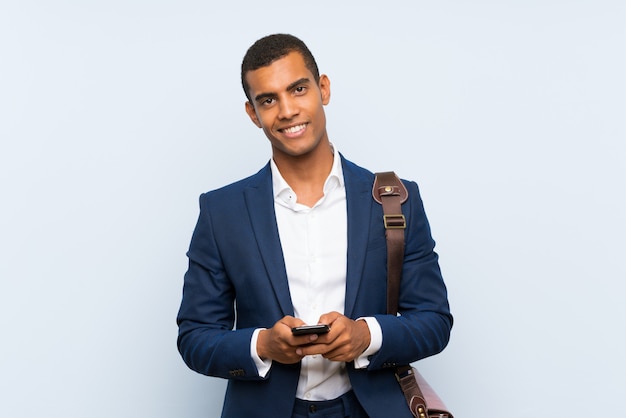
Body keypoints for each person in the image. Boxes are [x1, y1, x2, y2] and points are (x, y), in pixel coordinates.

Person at [177, 33, 452, 418]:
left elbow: (435, 321)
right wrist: (263, 346)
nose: (287, 110)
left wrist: (366, 336)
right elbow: (195, 338)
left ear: (323, 88)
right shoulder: (221, 211)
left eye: (298, 89)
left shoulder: (394, 199)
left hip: (370, 408)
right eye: (268, 100)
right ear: (252, 113)